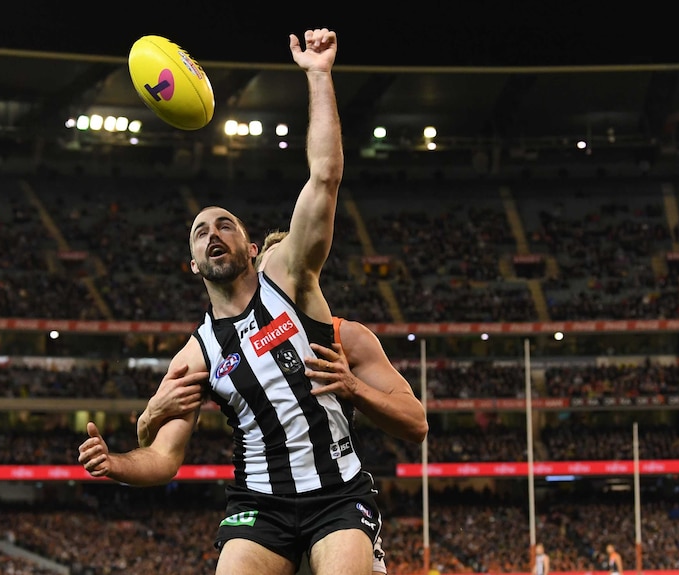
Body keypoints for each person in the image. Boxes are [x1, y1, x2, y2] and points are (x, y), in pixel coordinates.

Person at [80, 27, 381, 575]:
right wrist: (116, 464)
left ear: (250, 245)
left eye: (225, 224)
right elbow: (164, 457)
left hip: (336, 495)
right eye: (199, 231)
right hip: (259, 507)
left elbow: (325, 176)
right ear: (193, 264)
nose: (212, 232)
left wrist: (318, 75)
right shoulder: (196, 355)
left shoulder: (288, 277)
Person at [135, 230, 428, 575]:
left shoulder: (344, 337)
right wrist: (148, 417)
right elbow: (159, 452)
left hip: (337, 501)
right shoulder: (217, 349)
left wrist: (353, 387)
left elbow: (416, 424)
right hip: (266, 511)